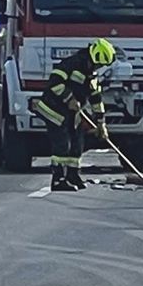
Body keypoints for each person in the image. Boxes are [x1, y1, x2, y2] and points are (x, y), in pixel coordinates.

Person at [36, 37, 113, 192]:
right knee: (62, 144)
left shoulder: (91, 73)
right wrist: (69, 98)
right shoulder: (72, 64)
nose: (99, 67)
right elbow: (54, 83)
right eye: (98, 64)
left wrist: (101, 123)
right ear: (93, 56)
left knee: (78, 142)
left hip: (71, 112)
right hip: (53, 109)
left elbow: (95, 98)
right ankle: (58, 180)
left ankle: (72, 175)